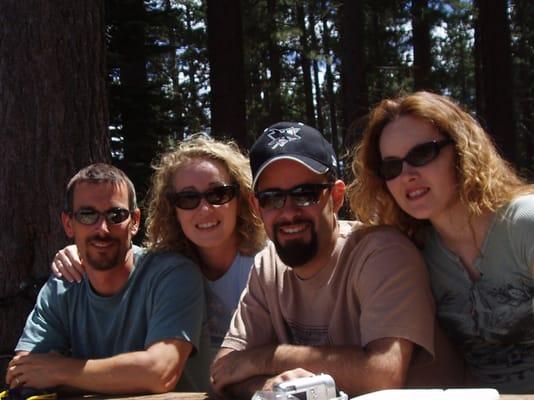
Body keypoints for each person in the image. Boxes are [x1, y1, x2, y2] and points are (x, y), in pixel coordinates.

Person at [210, 122, 460, 398]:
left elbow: (383, 374)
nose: (289, 212)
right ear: (257, 207)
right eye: (272, 198)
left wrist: (268, 358)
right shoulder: (268, 266)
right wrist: (267, 389)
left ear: (337, 196)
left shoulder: (381, 253)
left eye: (306, 194)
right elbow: (223, 370)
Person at [348, 91, 534, 393]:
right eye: (392, 167)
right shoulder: (413, 253)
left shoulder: (525, 224)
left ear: (461, 150)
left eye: (422, 154)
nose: (407, 175)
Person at [51, 135, 266, 360]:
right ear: (172, 209)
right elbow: (122, 255)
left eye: (218, 194)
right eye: (188, 198)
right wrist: (80, 251)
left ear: (240, 198)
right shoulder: (166, 268)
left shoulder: (269, 265)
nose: (204, 209)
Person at [6, 163, 210, 394]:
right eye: (87, 215)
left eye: (116, 215)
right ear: (68, 223)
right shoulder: (61, 286)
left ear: (134, 222)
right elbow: (23, 372)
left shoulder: (173, 275)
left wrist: (59, 370)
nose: (102, 228)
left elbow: (160, 373)